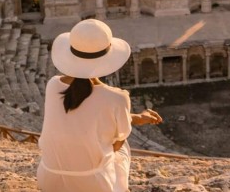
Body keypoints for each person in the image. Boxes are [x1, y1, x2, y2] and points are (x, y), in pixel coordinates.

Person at [38, 19, 163, 192]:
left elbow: (83, 115)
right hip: (92, 184)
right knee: (121, 145)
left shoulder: (53, 85)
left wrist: (138, 118)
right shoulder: (117, 97)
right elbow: (115, 143)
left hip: (49, 179)